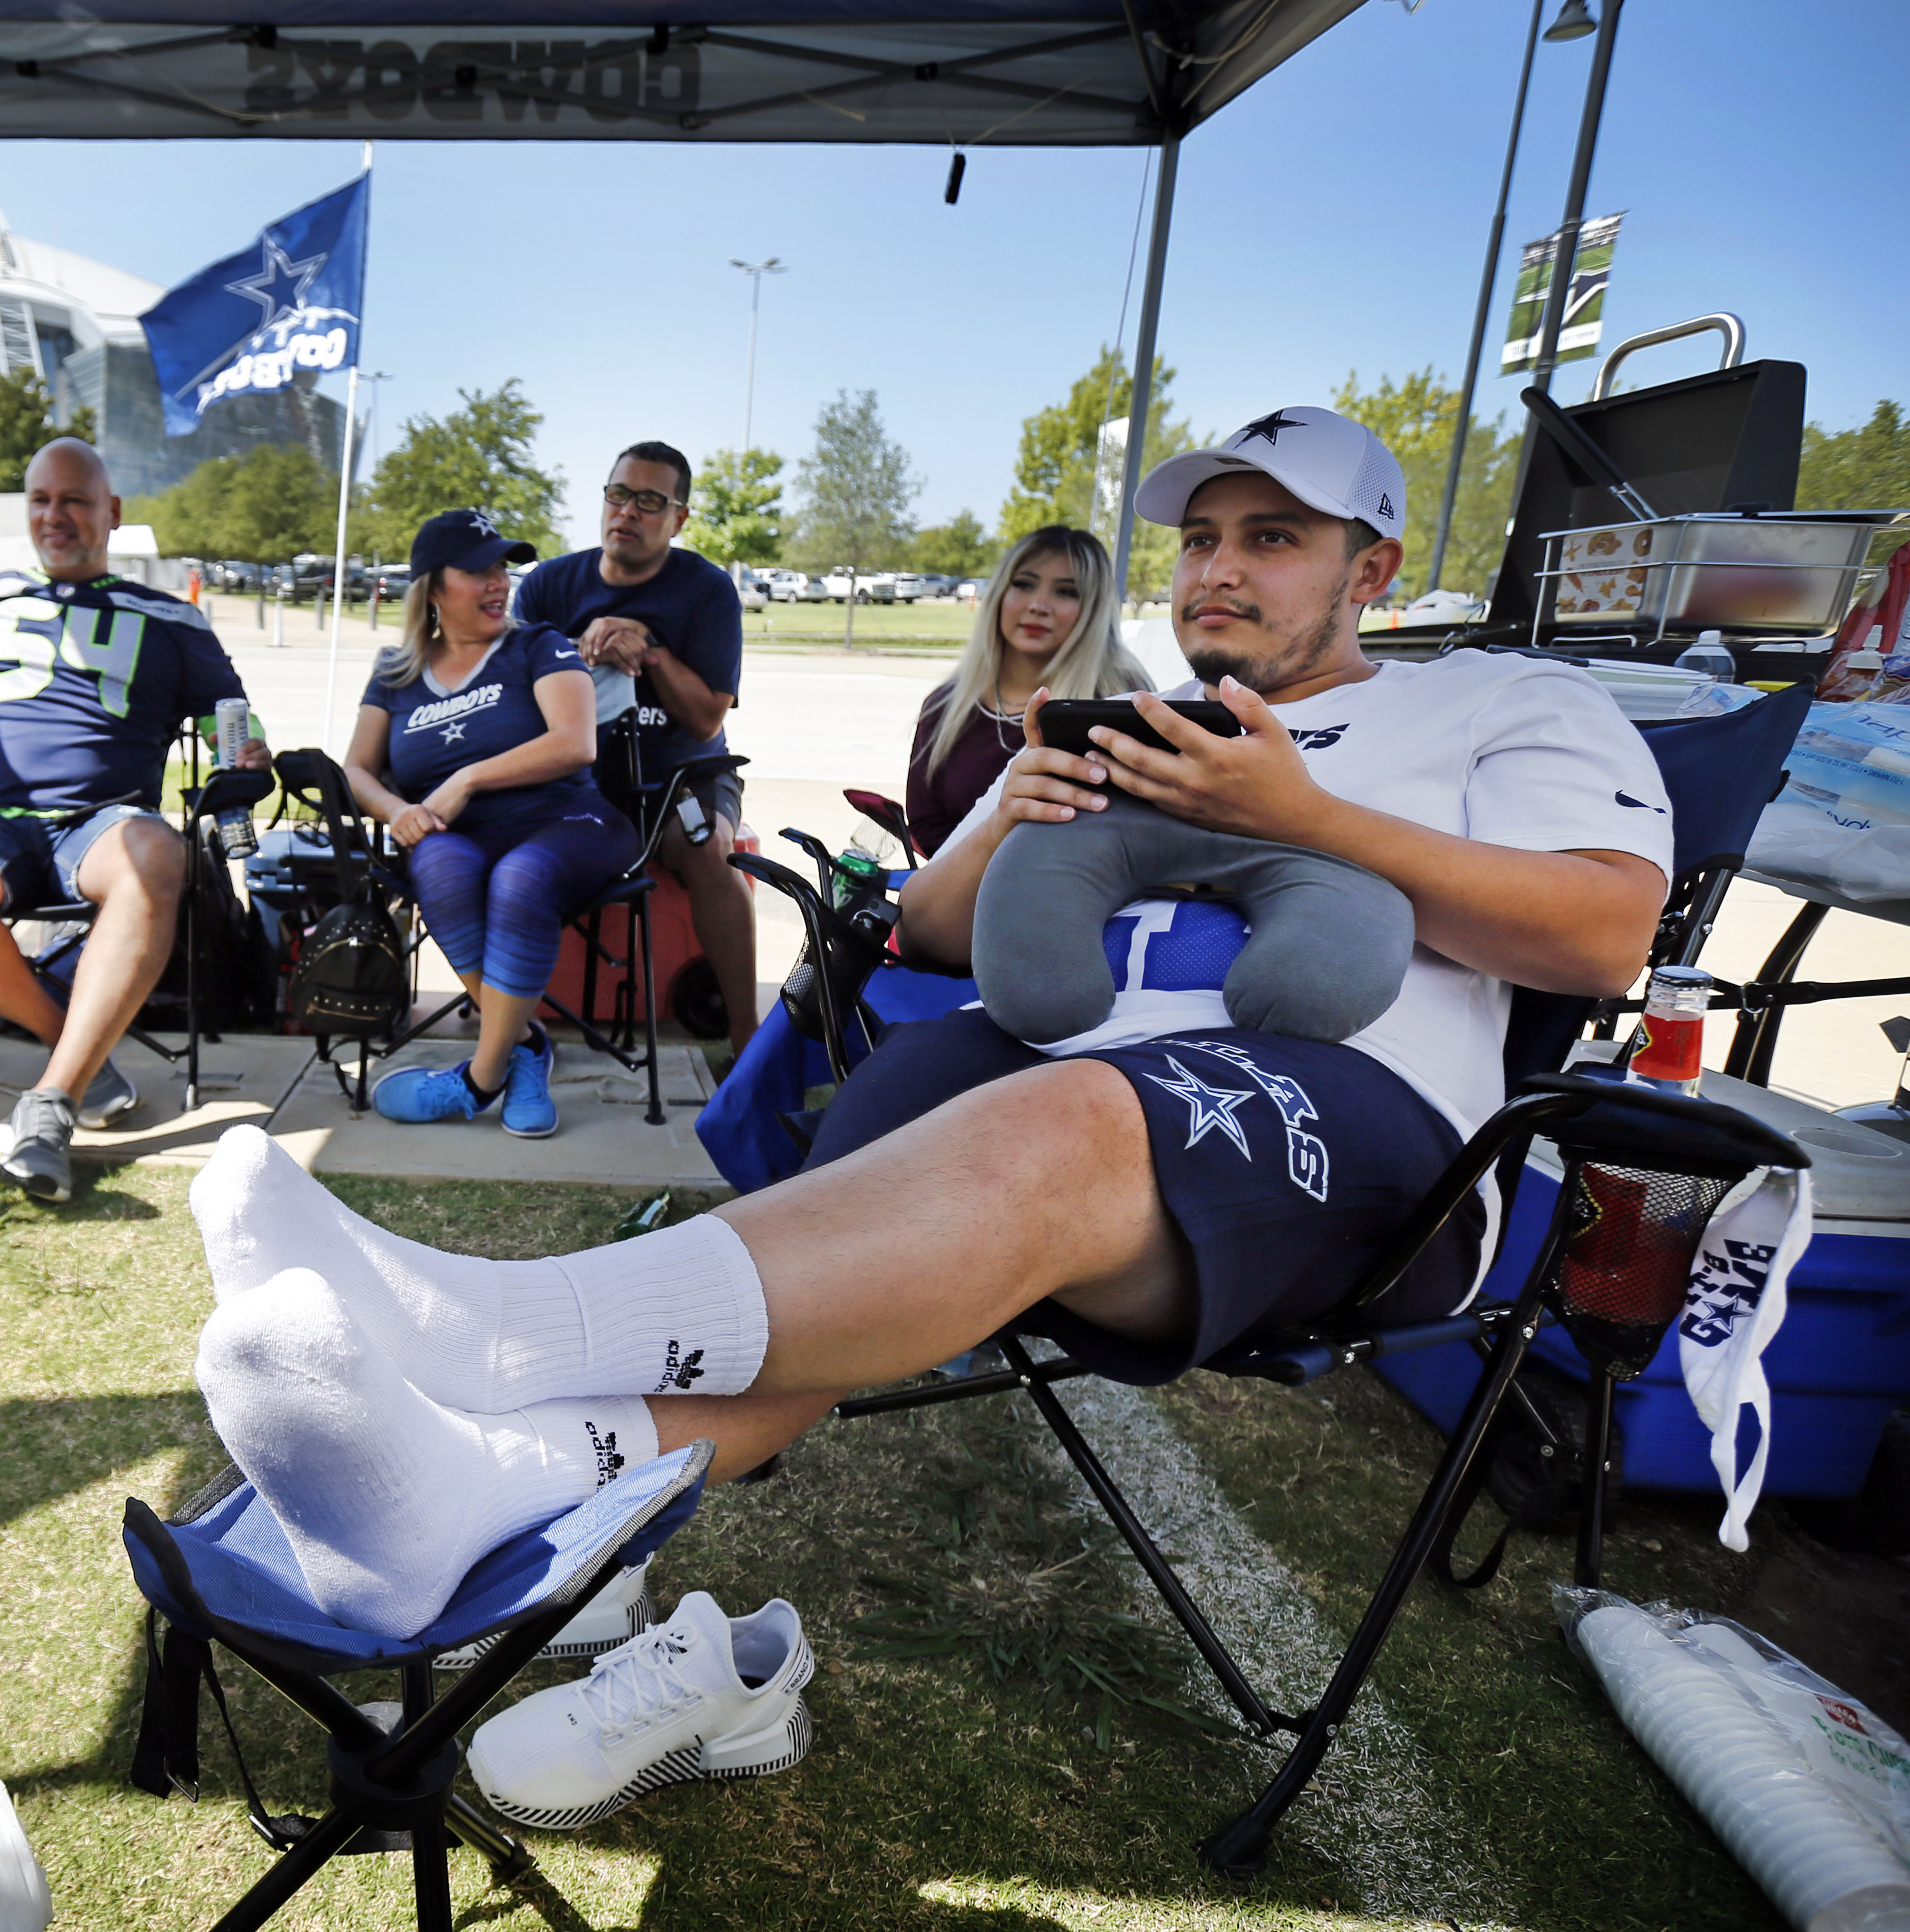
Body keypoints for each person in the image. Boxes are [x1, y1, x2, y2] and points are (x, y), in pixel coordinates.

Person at [181, 404, 1674, 1814]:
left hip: (1360, 1126)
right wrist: (1021, 803)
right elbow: (936, 932)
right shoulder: (1126, 714)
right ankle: (473, 1487)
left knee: (1064, 1118)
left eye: (1272, 537)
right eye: (1202, 535)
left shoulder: (1499, 697)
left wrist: (1304, 819)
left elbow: (1603, 935)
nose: (1219, 564)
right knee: (879, 1168)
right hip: (1064, 1080)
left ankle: (490, 1326)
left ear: (1373, 570)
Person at [0, 437, 268, 1204]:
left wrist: (245, 758)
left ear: (112, 513)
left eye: (74, 500)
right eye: (40, 500)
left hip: (101, 825)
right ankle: (77, 1043)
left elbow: (230, 714)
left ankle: (51, 1101)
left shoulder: (170, 617)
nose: (54, 516)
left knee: (155, 853)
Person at [346, 509, 644, 1139]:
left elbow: (575, 742)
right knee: (436, 862)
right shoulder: (394, 672)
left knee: (520, 875)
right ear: (432, 586)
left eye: (502, 569)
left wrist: (466, 779)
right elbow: (357, 770)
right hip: (459, 836)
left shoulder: (540, 645)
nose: (498, 583)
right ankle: (525, 1048)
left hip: (569, 820)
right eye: (478, 570)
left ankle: (477, 1080)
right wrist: (399, 810)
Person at [513, 443, 760, 1047]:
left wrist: (648, 648)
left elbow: (706, 721)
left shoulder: (706, 591)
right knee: (494, 842)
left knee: (704, 845)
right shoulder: (548, 585)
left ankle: (745, 1032)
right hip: (574, 773)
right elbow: (510, 698)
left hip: (683, 773)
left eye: (650, 500)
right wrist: (582, 645)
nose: (628, 511)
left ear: (679, 518)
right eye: (618, 494)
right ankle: (510, 1029)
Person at [901, 525, 1149, 857]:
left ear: (1093, 610)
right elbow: (926, 824)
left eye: (1066, 592)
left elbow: (1141, 833)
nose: (1038, 605)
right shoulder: (945, 705)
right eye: (1024, 585)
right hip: (962, 903)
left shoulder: (1122, 700)